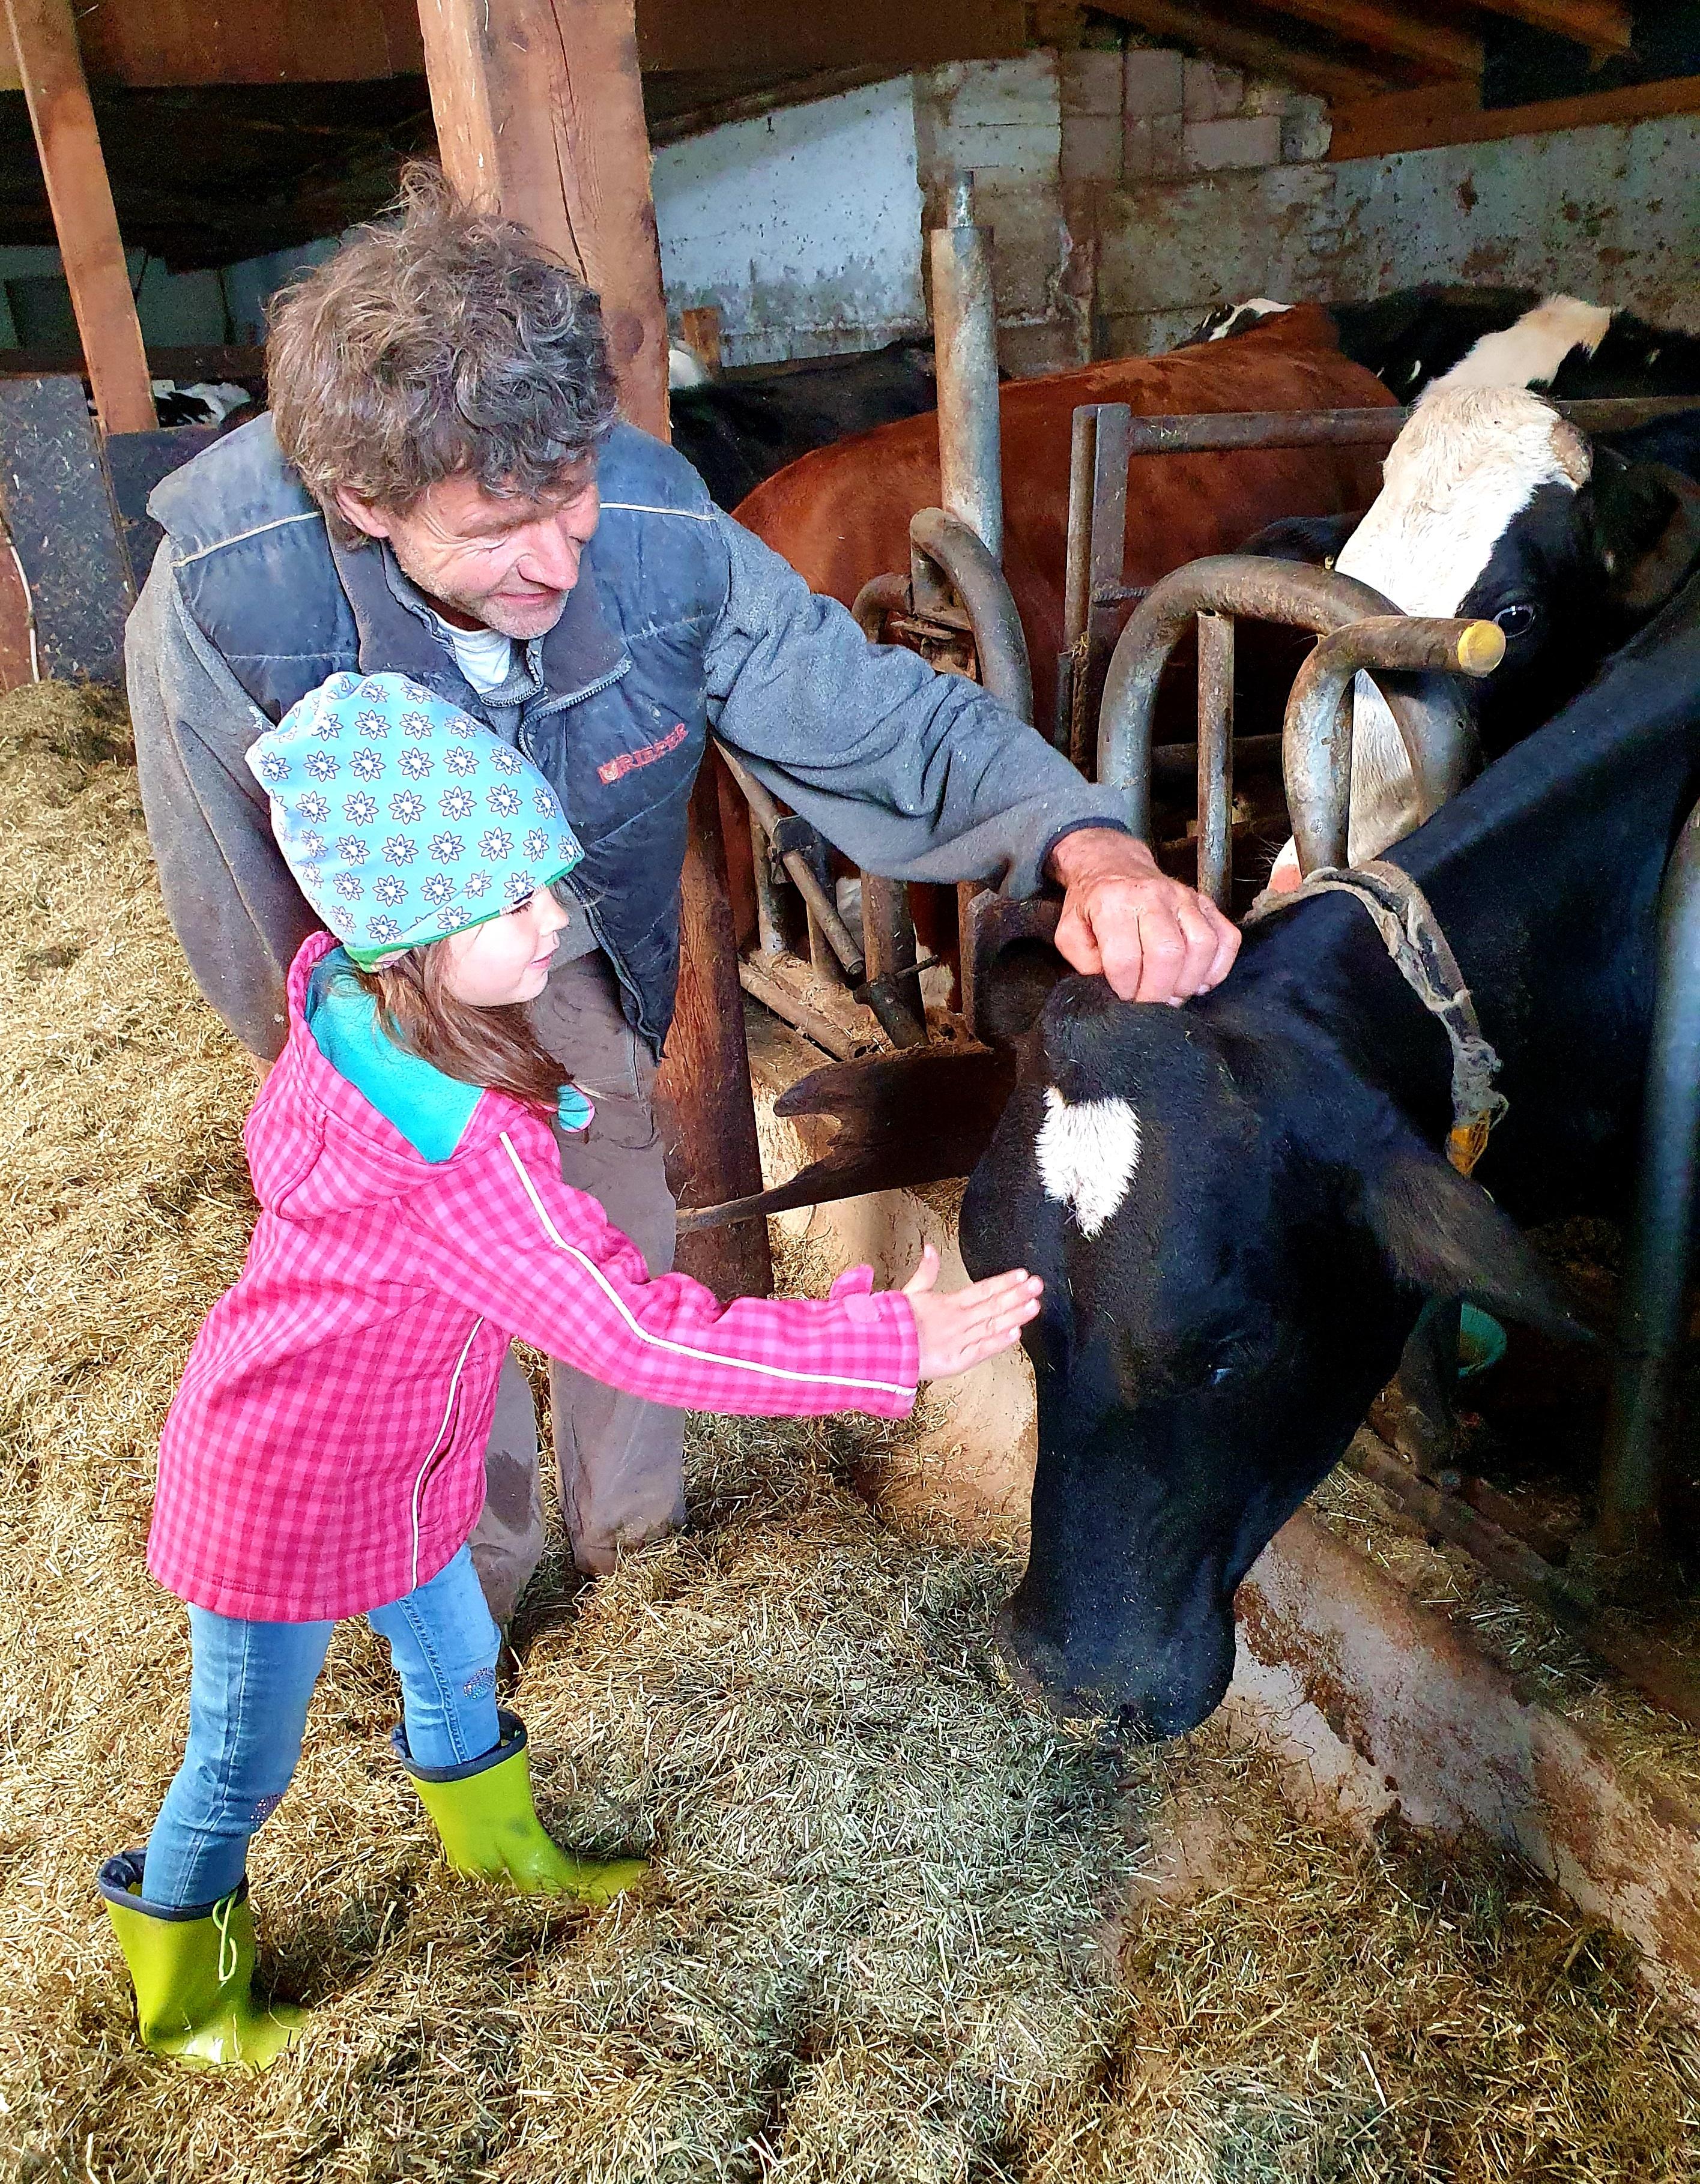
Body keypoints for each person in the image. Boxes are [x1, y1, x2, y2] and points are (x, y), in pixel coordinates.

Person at [126, 165, 1238, 1624]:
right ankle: (471, 1585)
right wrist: (365, 1101)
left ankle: (634, 1560)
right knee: (436, 1298)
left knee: (620, 1223)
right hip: (379, 985)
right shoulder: (226, 597)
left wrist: (1088, 844)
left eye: (569, 493)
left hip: (567, 937)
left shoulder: (658, 531)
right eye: (495, 528)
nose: (556, 557)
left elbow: (881, 719)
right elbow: (233, 901)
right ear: (361, 501)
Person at [99, 673, 1044, 2071]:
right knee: (242, 1759)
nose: (554, 917)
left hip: (400, 1457)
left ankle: (500, 1853)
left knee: (455, 1661)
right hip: (279, 1486)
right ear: (413, 935)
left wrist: (551, 1094)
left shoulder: (354, 1004)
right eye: (509, 900)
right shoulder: (461, 1162)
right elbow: (640, 1336)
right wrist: (879, 1345)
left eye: (546, 878)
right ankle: (190, 2001)